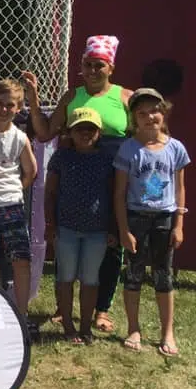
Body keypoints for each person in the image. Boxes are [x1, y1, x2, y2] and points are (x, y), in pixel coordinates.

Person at [22, 35, 133, 334]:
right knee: (67, 242)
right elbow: (45, 133)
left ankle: (102, 310)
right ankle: (63, 308)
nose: (93, 70)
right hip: (74, 181)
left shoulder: (126, 98)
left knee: (110, 246)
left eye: (99, 65)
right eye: (87, 65)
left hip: (113, 184)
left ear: (111, 67)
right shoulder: (72, 97)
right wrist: (33, 101)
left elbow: (145, 137)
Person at [114, 88, 189, 357]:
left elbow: (180, 188)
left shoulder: (176, 148)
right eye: (142, 113)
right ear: (134, 118)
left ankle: (167, 332)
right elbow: (119, 193)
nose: (149, 117)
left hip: (164, 218)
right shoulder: (129, 149)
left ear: (164, 112)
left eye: (154, 111)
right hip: (136, 218)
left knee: (163, 275)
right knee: (134, 274)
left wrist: (178, 224)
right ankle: (134, 328)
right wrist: (124, 230)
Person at [44, 107, 116, 344]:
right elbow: (51, 193)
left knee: (90, 279)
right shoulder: (62, 157)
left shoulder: (107, 159)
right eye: (79, 129)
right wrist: (50, 224)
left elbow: (114, 193)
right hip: (67, 228)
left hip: (97, 231)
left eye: (90, 129)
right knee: (65, 276)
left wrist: (113, 228)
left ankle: (85, 326)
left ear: (99, 132)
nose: (85, 133)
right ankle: (67, 324)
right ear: (70, 132)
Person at [0, 79, 38, 331]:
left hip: (12, 206)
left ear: (19, 107)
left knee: (20, 261)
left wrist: (15, 190)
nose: (4, 109)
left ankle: (21, 314)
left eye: (10, 105)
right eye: (0, 104)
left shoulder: (20, 137)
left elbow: (31, 170)